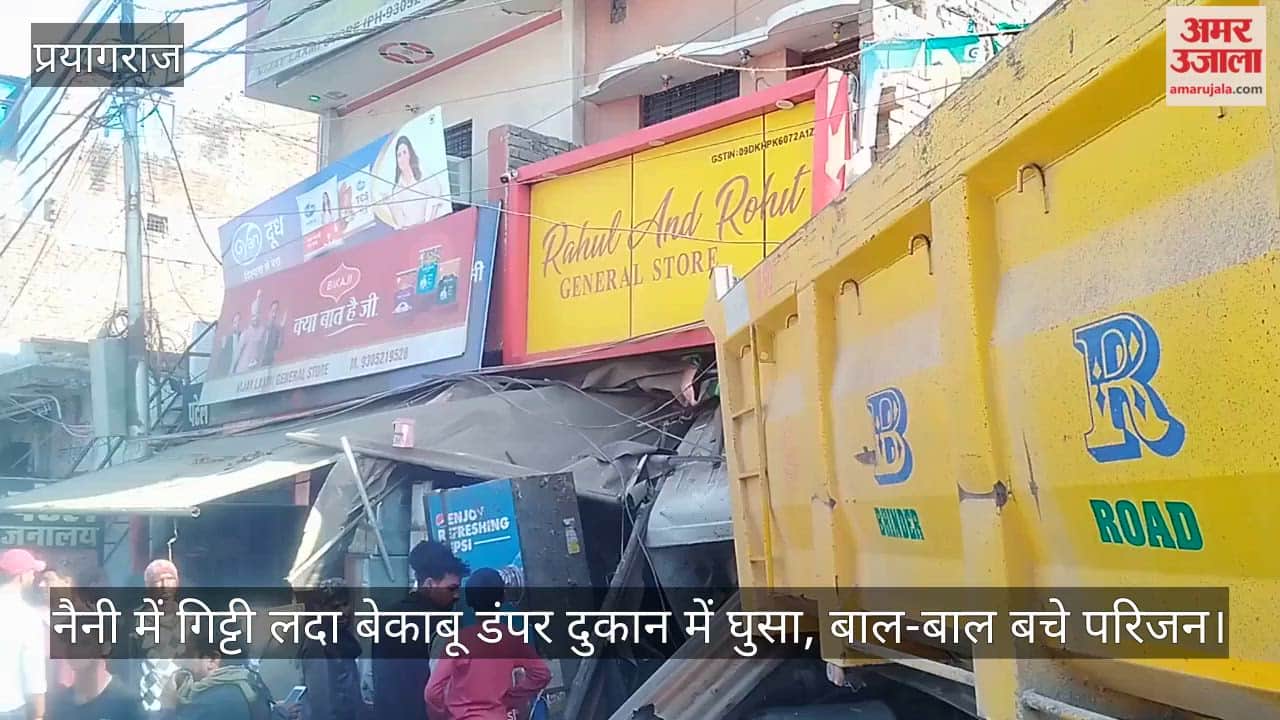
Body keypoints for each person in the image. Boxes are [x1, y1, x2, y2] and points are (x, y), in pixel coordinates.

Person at [425, 569, 550, 720]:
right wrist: (511, 698)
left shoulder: (458, 641)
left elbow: (432, 692)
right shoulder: (512, 640)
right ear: (502, 598)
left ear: (469, 601)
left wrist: (442, 714)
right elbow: (542, 675)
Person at [372, 541, 467, 720]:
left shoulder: (385, 616)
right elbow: (444, 689)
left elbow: (376, 678)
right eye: (451, 588)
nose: (456, 595)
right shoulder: (442, 626)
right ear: (430, 584)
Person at [159, 635, 272, 720]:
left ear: (212, 660)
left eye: (188, 654)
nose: (178, 661)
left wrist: (167, 705)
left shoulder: (210, 703)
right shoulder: (248, 684)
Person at [299, 579, 364, 720]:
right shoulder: (319, 644)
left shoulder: (342, 638)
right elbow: (323, 704)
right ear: (319, 609)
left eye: (345, 605)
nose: (342, 612)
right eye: (335, 607)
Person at [127, 560, 184, 715]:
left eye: (169, 579)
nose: (164, 586)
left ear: (178, 583)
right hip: (143, 708)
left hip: (182, 707)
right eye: (157, 581)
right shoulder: (133, 622)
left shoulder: (192, 621)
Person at [0, 549, 48, 720]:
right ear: (21, 576)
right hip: (9, 708)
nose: (35, 577)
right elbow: (35, 673)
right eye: (32, 572)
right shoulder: (27, 616)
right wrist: (39, 715)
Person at [48, 636, 142, 720]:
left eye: (85, 643)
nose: (74, 650)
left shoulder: (126, 704)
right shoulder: (57, 705)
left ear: (105, 648)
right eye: (70, 642)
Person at [387, 136, 448, 228]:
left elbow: (436, 193)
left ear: (410, 154)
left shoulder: (423, 174)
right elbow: (400, 223)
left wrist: (430, 222)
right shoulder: (397, 190)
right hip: (410, 235)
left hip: (428, 227)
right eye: (399, 155)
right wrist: (390, 205)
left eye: (404, 153)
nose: (402, 158)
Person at [259, 301, 285, 368]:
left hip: (269, 364)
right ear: (269, 312)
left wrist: (282, 329)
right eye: (273, 311)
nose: (274, 314)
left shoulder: (277, 331)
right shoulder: (262, 328)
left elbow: (279, 347)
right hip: (258, 363)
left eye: (276, 311)